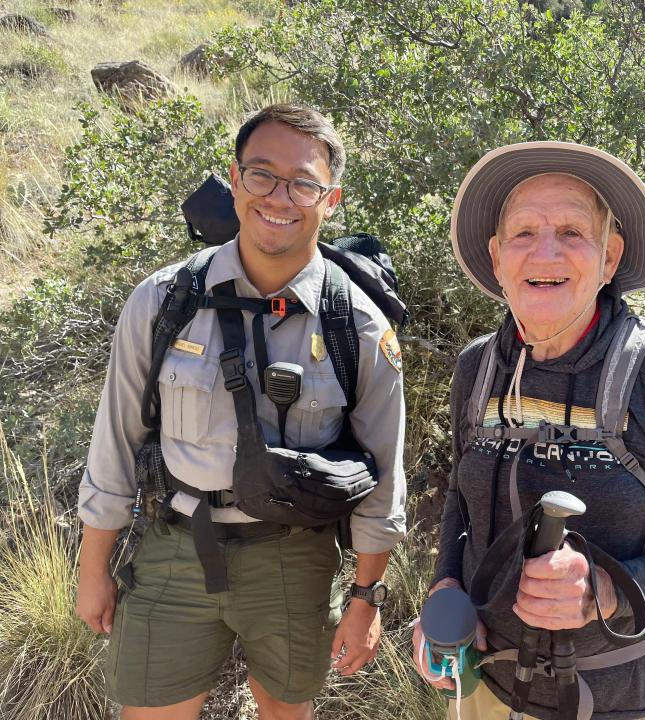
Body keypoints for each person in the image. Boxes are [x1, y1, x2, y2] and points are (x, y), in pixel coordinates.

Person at [75, 104, 407, 720]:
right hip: (175, 547)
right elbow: (116, 440)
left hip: (295, 559)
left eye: (303, 182)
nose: (280, 197)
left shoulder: (356, 325)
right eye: (262, 174)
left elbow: (384, 474)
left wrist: (368, 597)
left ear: (329, 200)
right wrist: (93, 566)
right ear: (234, 180)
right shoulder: (164, 300)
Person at [413, 142, 645, 719]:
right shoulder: (478, 366)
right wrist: (446, 586)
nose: (545, 252)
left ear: (610, 256)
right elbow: (460, 505)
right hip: (482, 686)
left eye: (571, 231)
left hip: (610, 699)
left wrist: (607, 591)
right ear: (497, 259)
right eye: (522, 234)